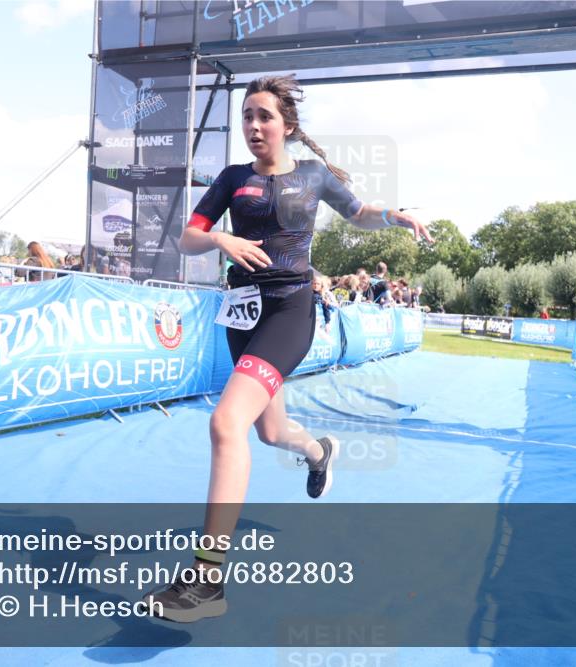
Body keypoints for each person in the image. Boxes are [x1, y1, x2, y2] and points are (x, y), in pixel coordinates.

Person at [143, 73, 432, 623]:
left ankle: (207, 579)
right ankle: (320, 451)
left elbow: (360, 213)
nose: (254, 125)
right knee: (269, 431)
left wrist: (395, 213)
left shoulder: (315, 176)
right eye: (247, 116)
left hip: (290, 310)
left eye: (264, 116)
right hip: (241, 312)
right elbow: (189, 235)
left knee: (226, 424)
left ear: (287, 126)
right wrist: (221, 238)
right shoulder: (231, 179)